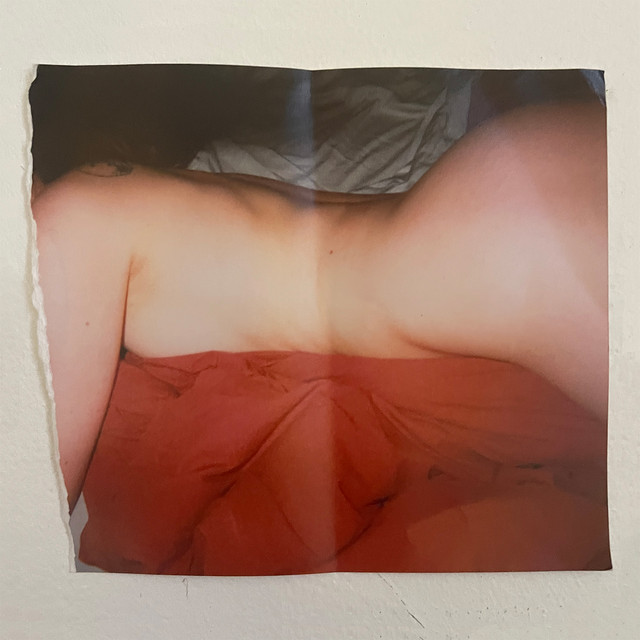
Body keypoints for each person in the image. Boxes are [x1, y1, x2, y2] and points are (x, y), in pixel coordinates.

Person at [32, 100, 609, 574]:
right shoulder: (105, 189)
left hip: (471, 260)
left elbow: (28, 525)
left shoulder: (65, 224)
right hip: (515, 174)